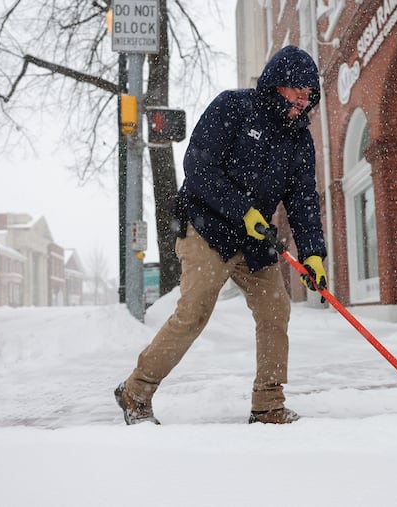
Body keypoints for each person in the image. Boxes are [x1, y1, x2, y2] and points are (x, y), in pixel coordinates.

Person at [115, 45, 328, 425]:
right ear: (276, 84)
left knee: (275, 310)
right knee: (194, 312)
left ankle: (268, 405)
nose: (303, 99)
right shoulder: (233, 107)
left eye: (309, 94)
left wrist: (313, 254)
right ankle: (136, 391)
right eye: (298, 89)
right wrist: (240, 210)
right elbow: (198, 166)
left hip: (254, 238)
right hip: (207, 228)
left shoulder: (299, 139)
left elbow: (304, 200)